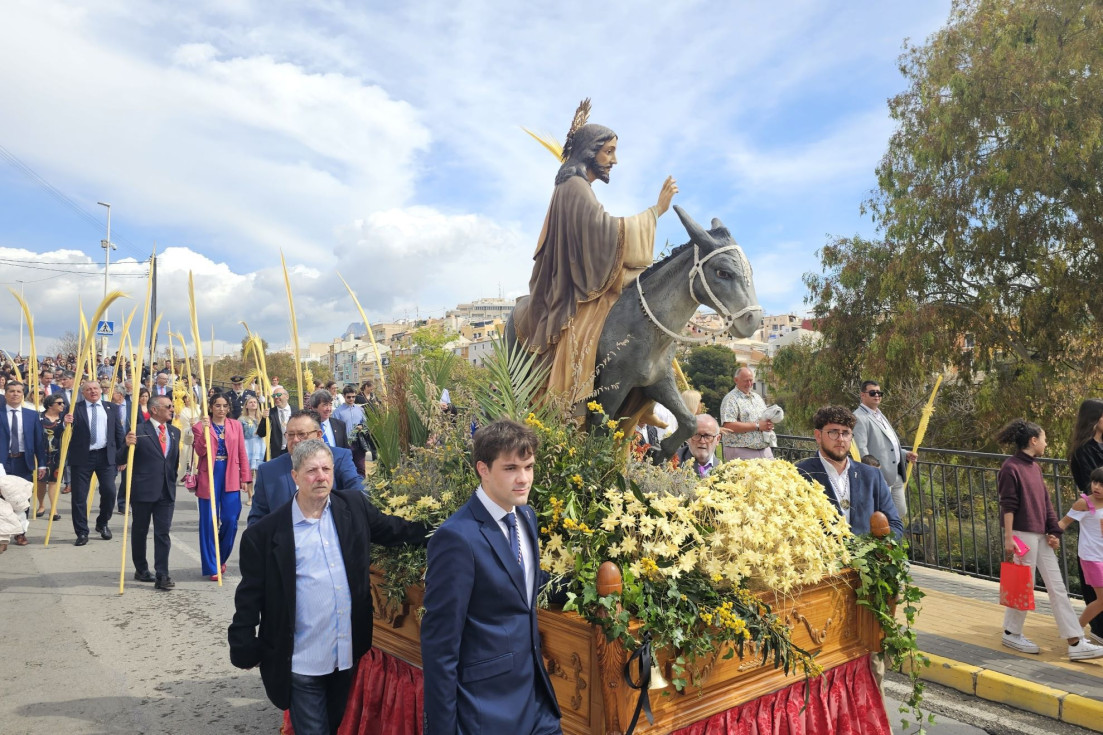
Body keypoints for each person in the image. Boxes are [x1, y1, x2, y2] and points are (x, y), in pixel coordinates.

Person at [228, 439, 429, 735]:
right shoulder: (265, 534)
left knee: (333, 725)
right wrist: (244, 643)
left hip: (345, 654)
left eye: (326, 469)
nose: (321, 476)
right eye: (311, 471)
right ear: (295, 476)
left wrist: (445, 531)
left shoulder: (354, 507)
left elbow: (395, 530)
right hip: (300, 660)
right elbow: (250, 597)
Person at [514, 103, 678, 407]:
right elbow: (603, 232)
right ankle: (571, 404)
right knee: (588, 335)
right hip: (568, 290)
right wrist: (656, 212)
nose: (614, 160)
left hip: (576, 276)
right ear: (591, 151)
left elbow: (597, 234)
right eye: (609, 151)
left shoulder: (575, 185)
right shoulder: (575, 186)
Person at [421, 419, 562, 735]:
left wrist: (576, 586)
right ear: (483, 469)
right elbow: (439, 646)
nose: (523, 478)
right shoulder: (456, 538)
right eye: (510, 468)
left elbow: (520, 580)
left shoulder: (525, 515)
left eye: (528, 467)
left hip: (537, 701)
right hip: (485, 710)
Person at [995, 418, 1103, 660]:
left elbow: (1045, 503)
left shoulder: (1034, 467)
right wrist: (1009, 537)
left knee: (1057, 587)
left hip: (1040, 535)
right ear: (1033, 441)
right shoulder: (1010, 468)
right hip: (1022, 535)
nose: (1046, 443)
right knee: (1024, 584)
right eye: (1044, 438)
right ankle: (1012, 633)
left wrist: (1053, 531)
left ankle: (1075, 642)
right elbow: (1008, 506)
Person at [795, 406, 903, 539]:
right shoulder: (800, 475)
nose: (841, 439)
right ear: (818, 436)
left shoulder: (872, 476)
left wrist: (882, 549)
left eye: (846, 433)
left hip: (867, 557)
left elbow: (895, 524)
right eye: (833, 432)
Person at [248, 411, 360, 527]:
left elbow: (356, 488)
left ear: (318, 435)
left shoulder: (339, 458)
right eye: (290, 435)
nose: (295, 440)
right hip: (287, 540)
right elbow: (257, 518)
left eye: (302, 434)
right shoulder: (268, 471)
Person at [122, 395, 180, 590]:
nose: (172, 409)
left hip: (166, 491)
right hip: (143, 490)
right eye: (168, 406)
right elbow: (119, 459)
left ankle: (162, 574)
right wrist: (126, 445)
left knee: (163, 533)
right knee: (140, 530)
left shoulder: (174, 432)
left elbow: (173, 462)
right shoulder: (138, 431)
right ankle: (141, 568)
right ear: (155, 409)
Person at [192, 394, 251, 580]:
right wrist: (204, 429)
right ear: (210, 407)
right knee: (209, 521)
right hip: (209, 473)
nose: (221, 409)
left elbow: (242, 451)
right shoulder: (200, 425)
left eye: (225, 406)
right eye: (217, 405)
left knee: (231, 518)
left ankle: (221, 557)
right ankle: (212, 566)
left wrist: (245, 477)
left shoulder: (236, 425)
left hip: (231, 472)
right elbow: (200, 451)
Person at [64, 379, 126, 546]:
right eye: (88, 389)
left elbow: (119, 433)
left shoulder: (111, 408)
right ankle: (82, 532)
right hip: (82, 458)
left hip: (106, 457)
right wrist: (65, 424)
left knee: (109, 491)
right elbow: (61, 435)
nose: (93, 391)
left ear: (101, 391)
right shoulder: (75, 409)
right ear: (83, 393)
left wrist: (122, 457)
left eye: (95, 388)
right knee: (79, 497)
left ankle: (102, 523)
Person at [853, 380, 916, 519]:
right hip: (879, 475)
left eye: (879, 393)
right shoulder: (859, 417)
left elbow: (887, 442)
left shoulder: (879, 414)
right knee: (881, 516)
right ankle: (884, 540)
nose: (877, 395)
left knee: (900, 512)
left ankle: (893, 539)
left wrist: (904, 454)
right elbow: (861, 448)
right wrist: (872, 472)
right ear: (862, 395)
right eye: (872, 393)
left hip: (896, 474)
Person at [1067, 398, 1103, 643]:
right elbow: (1091, 487)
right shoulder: (1083, 450)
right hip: (1094, 519)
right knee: (1094, 580)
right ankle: (1097, 629)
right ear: (1095, 419)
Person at [1057, 467, 1103, 644]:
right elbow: (1063, 522)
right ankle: (1074, 633)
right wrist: (1049, 536)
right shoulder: (1084, 503)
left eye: (1101, 484)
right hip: (1091, 557)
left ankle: (1075, 632)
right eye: (1095, 482)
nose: (1097, 487)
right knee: (1102, 600)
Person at [719, 367, 774, 460]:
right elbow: (728, 426)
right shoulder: (730, 399)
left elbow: (765, 417)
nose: (749, 384)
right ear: (736, 380)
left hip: (763, 449)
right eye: (746, 381)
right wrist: (757, 426)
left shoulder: (757, 397)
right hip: (741, 450)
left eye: (751, 380)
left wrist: (768, 424)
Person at [37, 393, 65, 521]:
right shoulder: (39, 417)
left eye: (63, 403)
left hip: (58, 454)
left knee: (54, 481)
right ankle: (41, 505)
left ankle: (53, 509)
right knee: (41, 481)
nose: (62, 405)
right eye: (59, 403)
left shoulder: (64, 419)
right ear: (50, 405)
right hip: (41, 453)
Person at [334, 387, 367, 474]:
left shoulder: (360, 409)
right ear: (344, 397)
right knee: (348, 468)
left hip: (359, 442)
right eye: (349, 397)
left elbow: (366, 424)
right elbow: (335, 428)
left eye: (353, 397)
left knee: (361, 468)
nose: (351, 399)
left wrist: (362, 426)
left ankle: (361, 487)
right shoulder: (338, 412)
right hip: (346, 443)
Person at [239, 396, 265, 506]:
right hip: (247, 444)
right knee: (249, 472)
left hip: (259, 445)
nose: (253, 404)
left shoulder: (262, 417)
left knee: (260, 472)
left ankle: (259, 496)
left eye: (255, 402)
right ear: (246, 405)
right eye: (250, 402)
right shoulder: (242, 419)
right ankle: (250, 496)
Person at [258, 386, 292, 459]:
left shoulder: (296, 411)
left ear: (287, 396)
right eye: (274, 396)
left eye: (279, 395)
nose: (276, 397)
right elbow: (261, 433)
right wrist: (264, 419)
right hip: (277, 452)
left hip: (293, 450)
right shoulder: (270, 412)